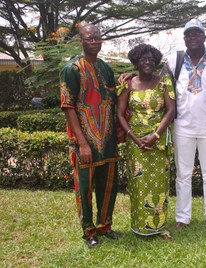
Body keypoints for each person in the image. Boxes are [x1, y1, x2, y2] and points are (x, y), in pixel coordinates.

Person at [118, 19, 206, 233]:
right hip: (183, 126)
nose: (192, 37)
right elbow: (154, 79)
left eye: (196, 33)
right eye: (188, 34)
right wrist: (131, 75)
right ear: (184, 38)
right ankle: (182, 218)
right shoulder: (174, 61)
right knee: (183, 174)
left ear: (204, 36)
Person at [60, 24, 119, 248]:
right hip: (84, 140)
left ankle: (105, 226)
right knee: (84, 187)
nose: (94, 41)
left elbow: (114, 99)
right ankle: (89, 231)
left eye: (97, 38)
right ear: (81, 41)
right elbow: (68, 107)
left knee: (109, 184)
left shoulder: (106, 68)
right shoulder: (71, 69)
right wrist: (82, 143)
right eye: (89, 38)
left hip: (108, 138)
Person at [116, 44, 175, 239]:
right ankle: (140, 226)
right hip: (135, 143)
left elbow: (171, 111)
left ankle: (158, 227)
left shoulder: (163, 83)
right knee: (138, 185)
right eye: (143, 59)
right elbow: (120, 114)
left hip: (158, 142)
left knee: (159, 185)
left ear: (155, 61)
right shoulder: (128, 84)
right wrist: (134, 138)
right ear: (136, 62)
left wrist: (155, 136)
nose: (147, 62)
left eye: (150, 59)